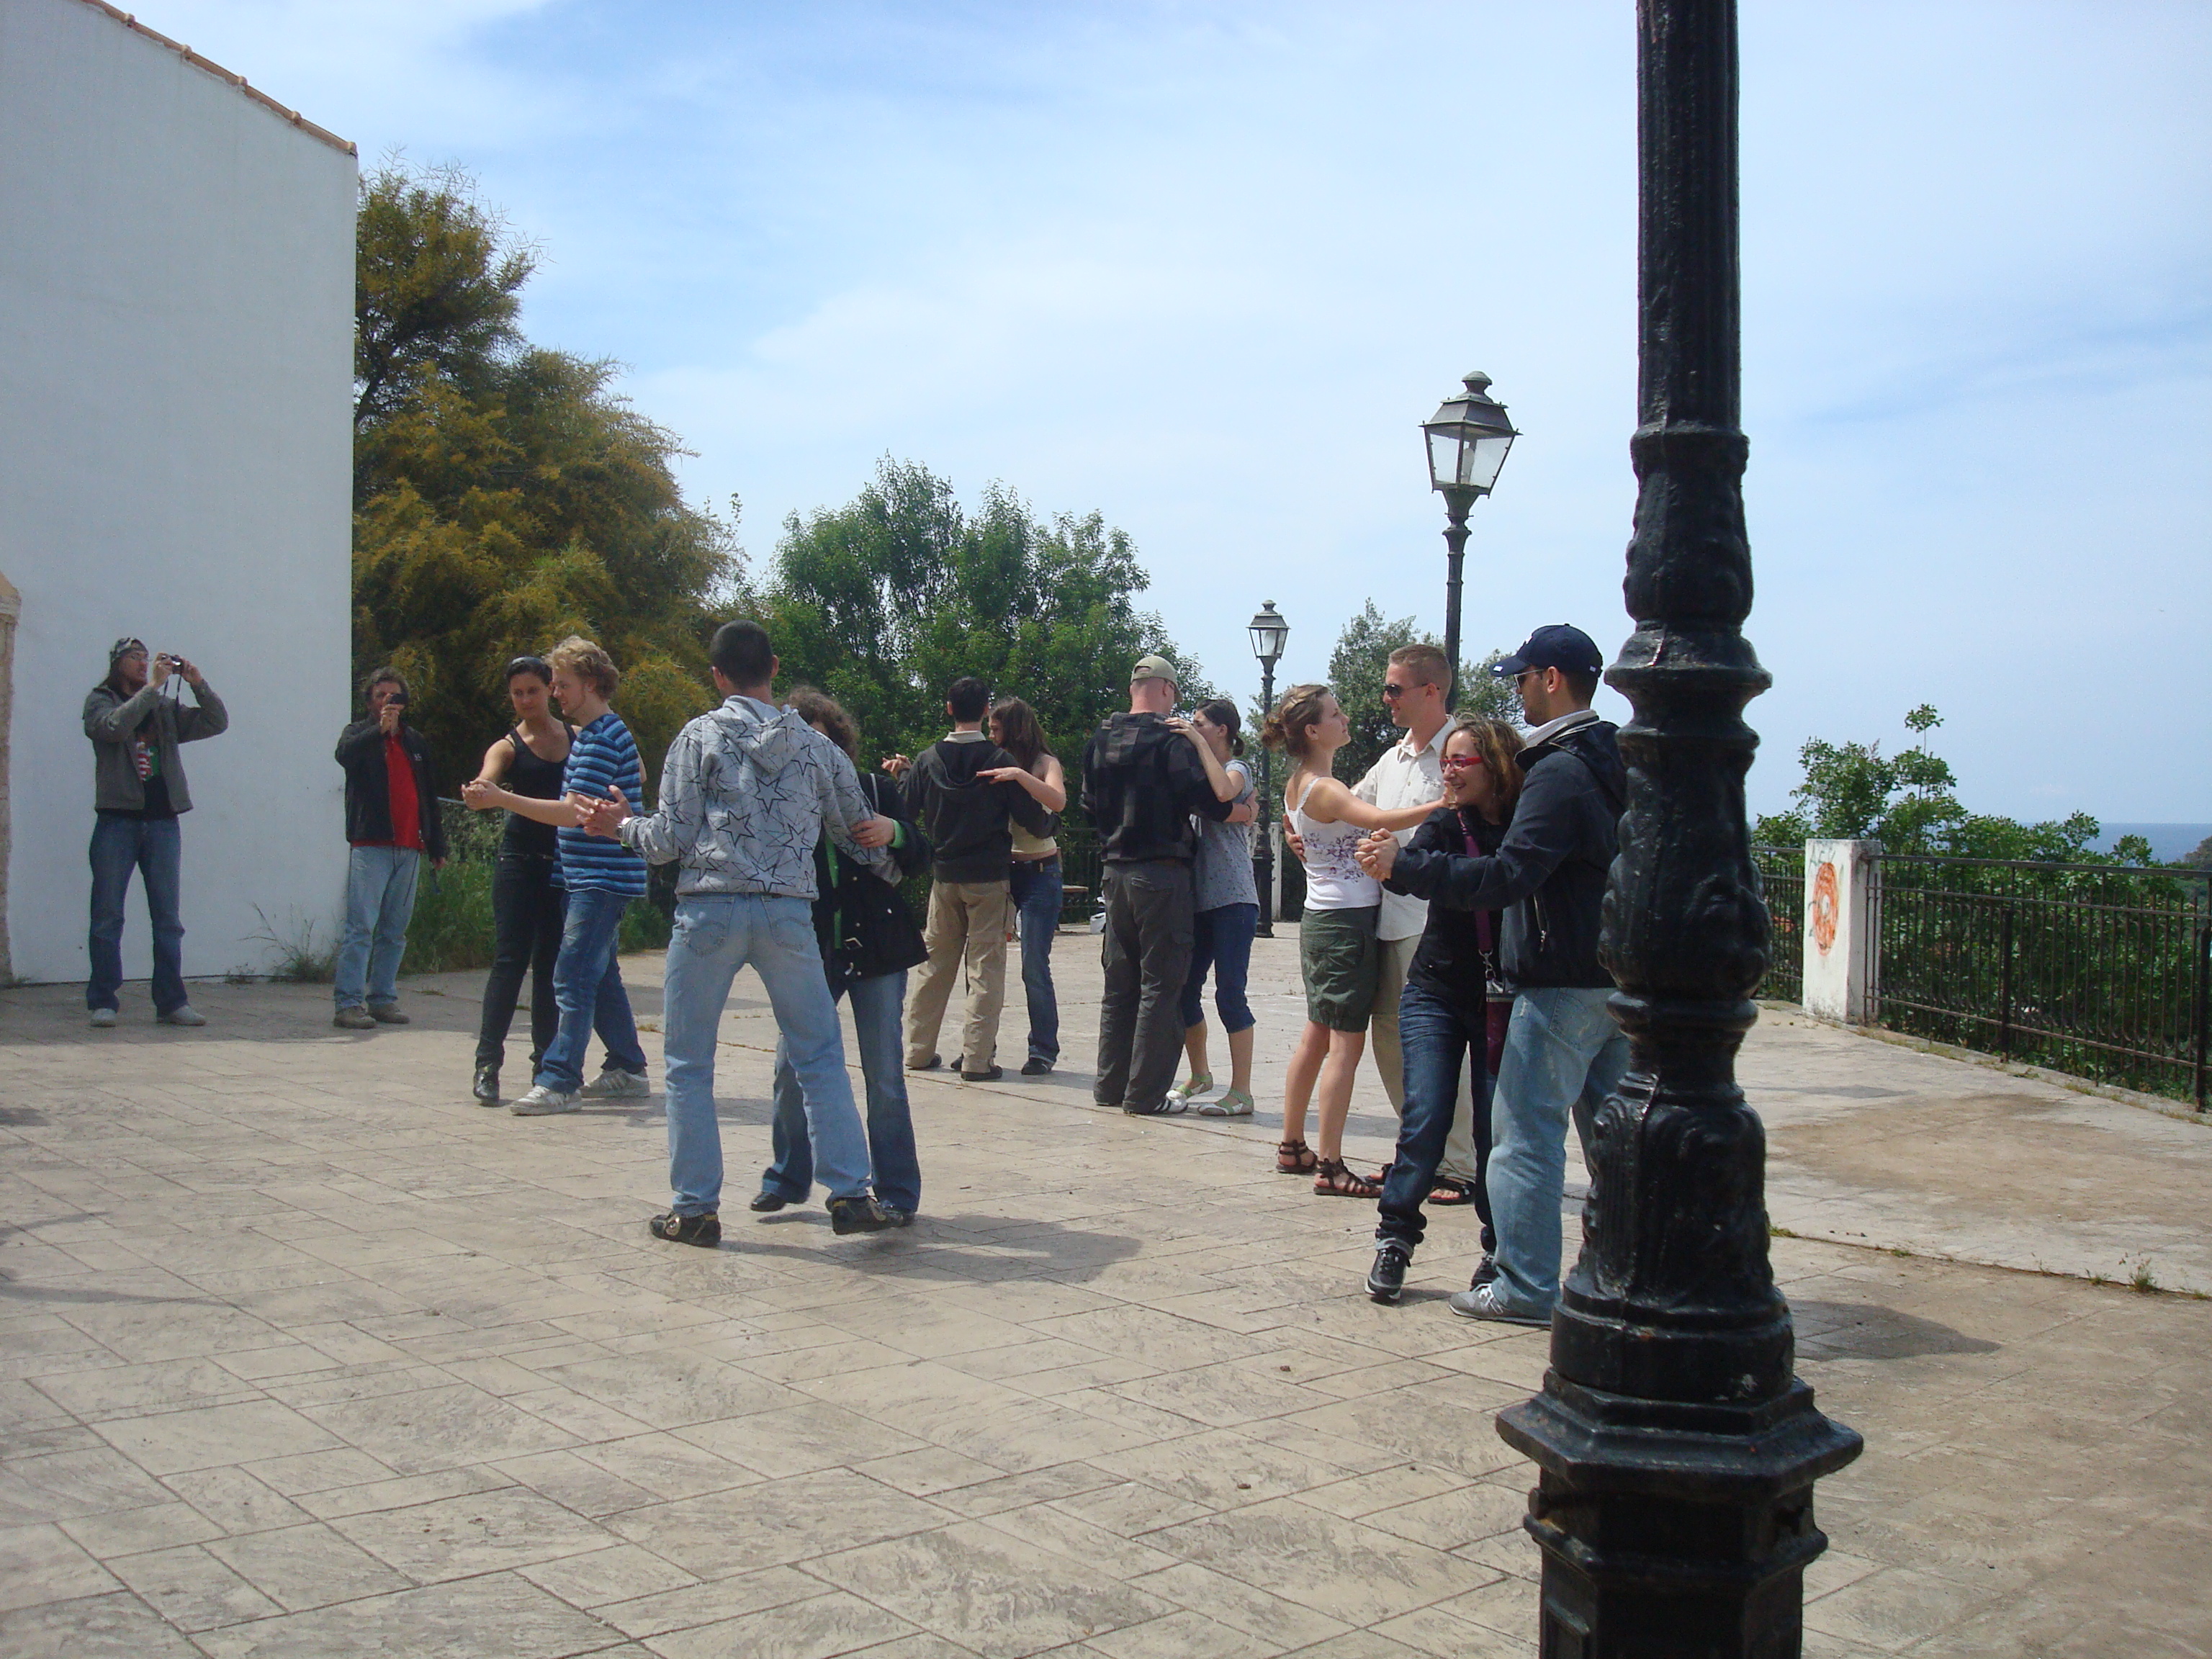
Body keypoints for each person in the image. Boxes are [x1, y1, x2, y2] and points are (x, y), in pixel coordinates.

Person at [578, 619, 903, 1243]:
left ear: (717, 676)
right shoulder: (816, 747)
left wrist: (619, 824)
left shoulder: (696, 737)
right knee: (819, 1056)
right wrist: (902, 853)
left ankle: (695, 1208)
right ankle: (850, 1193)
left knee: (689, 1063)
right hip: (788, 913)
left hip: (709, 910)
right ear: (774, 668)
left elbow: (668, 840)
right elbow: (858, 832)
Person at [1387, 624, 1627, 1326]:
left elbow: (1511, 874)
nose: (1518, 691)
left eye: (1523, 678)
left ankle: (1523, 1286)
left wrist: (1406, 868)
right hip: (1617, 978)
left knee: (1522, 1137)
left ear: (1551, 680)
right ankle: (1622, 1268)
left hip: (1560, 980)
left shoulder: (1556, 769)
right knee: (1616, 1140)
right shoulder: (1619, 757)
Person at [1355, 716, 1525, 1303]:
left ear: (1495, 765)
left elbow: (1495, 881)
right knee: (1425, 1116)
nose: (1448, 771)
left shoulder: (1525, 827)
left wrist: (1413, 866)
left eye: (1460, 761)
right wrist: (1390, 859)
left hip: (1504, 997)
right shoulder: (1446, 823)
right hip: (1436, 991)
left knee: (1494, 1131)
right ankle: (1395, 1238)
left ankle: (1498, 1250)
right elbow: (1409, 875)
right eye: (1445, 761)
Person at [753, 688, 932, 1223]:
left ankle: (896, 1190)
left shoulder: (873, 788)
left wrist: (895, 832)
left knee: (884, 1075)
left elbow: (922, 854)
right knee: (789, 1068)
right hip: (809, 948)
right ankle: (788, 1176)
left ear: (839, 744)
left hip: (876, 945)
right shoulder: (777, 801)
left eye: (821, 742)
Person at [1262, 684, 1440, 1195]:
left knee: (1317, 1034)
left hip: (1324, 920)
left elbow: (1308, 823)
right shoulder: (1323, 787)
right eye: (1336, 715)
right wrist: (1444, 803)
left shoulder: (1302, 783)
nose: (1345, 721)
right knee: (1345, 1046)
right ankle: (1331, 1165)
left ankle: (1293, 1145)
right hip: (1346, 925)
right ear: (1314, 731)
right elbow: (1379, 819)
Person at [1080, 653, 1238, 1116]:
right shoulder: (1172, 740)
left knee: (1119, 985)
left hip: (1114, 873)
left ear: (1134, 688)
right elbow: (1211, 801)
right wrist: (1242, 809)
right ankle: (1145, 1096)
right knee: (1162, 986)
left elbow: (1087, 806)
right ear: (1167, 690)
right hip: (1162, 874)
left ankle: (1109, 1087)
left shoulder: (1099, 738)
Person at [1354, 644, 1483, 1208]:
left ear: (1432, 691)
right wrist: (1301, 827)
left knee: (1442, 1047)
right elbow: (1352, 808)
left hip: (1434, 922)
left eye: (1394, 688)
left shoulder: (1464, 754)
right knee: (1391, 1040)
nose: (1386, 698)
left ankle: (1458, 1163)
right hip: (1389, 917)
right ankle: (1421, 1152)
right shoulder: (1393, 759)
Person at [507, 637, 653, 1113]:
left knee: (572, 974)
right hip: (588, 875)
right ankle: (627, 1068)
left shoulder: (601, 737)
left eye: (562, 685)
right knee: (600, 975)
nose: (555, 694)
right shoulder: (595, 735)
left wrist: (502, 799)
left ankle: (560, 1079)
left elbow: (573, 812)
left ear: (590, 684)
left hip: (599, 878)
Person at [898, 676, 1053, 1082]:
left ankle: (917, 1051)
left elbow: (904, 809)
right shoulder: (1000, 760)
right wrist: (1051, 820)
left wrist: (904, 775)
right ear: (986, 711)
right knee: (985, 970)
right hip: (989, 879)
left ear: (949, 708)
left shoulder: (928, 759)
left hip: (944, 876)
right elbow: (1033, 821)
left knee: (934, 967)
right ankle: (977, 1060)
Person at [81, 638, 228, 1028]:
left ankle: (171, 1002)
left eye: (146, 658)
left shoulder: (163, 707)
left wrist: (197, 683)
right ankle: (103, 1001)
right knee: (107, 916)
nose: (143, 662)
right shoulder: (101, 700)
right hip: (117, 820)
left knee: (167, 920)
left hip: (163, 821)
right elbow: (113, 728)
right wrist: (151, 688)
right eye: (135, 657)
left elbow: (216, 722)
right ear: (117, 663)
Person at [457, 656, 574, 1105]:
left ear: (550, 690)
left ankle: (546, 1066)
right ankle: (487, 1064)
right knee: (509, 962)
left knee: (550, 968)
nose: (526, 700)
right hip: (519, 863)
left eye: (533, 691)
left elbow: (630, 768)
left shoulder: (578, 737)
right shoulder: (507, 746)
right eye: (517, 693)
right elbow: (486, 782)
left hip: (561, 866)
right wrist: (479, 792)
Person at [333, 667, 448, 1030]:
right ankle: (348, 1003)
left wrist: (436, 843)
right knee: (361, 928)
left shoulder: (414, 742)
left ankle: (382, 998)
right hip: (372, 844)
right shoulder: (358, 734)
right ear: (370, 700)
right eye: (380, 695)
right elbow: (344, 756)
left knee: (394, 931)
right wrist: (378, 731)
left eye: (394, 696)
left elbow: (428, 794)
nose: (387, 702)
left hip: (409, 846)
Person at [1166, 699, 1262, 1115]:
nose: (1193, 727)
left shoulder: (1238, 768)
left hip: (1234, 899)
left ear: (1222, 730)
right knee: (1185, 991)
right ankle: (1200, 1075)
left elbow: (1224, 792)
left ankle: (1241, 1091)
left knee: (1230, 994)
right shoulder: (1197, 772)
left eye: (1200, 723)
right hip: (1199, 900)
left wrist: (1195, 742)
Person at [981, 698, 1066, 1077]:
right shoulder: (991, 759)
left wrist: (1019, 775)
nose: (991, 735)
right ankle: (980, 1047)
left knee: (1033, 964)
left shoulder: (1045, 763)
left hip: (1040, 873)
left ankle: (1043, 1050)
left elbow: (1058, 801)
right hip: (1001, 872)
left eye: (996, 729)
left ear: (1015, 729)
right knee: (985, 962)